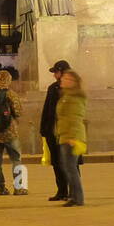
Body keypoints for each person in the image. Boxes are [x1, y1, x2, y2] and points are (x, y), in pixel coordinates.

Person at [0, 69, 26, 196]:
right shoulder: (11, 94)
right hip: (10, 133)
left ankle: (1, 188)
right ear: (8, 80)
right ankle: (18, 188)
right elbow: (18, 112)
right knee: (16, 160)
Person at [39, 60, 71, 201]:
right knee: (57, 162)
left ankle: (73, 191)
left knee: (70, 163)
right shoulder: (53, 88)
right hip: (53, 131)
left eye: (56, 72)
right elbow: (47, 109)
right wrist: (44, 128)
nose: (54, 75)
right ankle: (62, 190)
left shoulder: (72, 88)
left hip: (67, 131)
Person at [54, 69, 87, 206]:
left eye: (67, 78)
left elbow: (75, 117)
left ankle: (77, 198)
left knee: (70, 168)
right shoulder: (66, 96)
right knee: (68, 167)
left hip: (71, 137)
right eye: (63, 78)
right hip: (65, 135)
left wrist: (72, 137)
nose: (63, 80)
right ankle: (74, 196)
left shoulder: (74, 98)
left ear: (74, 82)